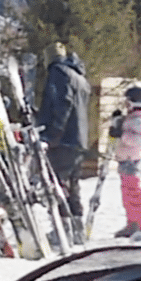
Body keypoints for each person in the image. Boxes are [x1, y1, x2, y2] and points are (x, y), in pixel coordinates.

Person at [36, 43, 90, 243]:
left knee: (57, 184)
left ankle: (62, 229)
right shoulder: (80, 77)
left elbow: (62, 104)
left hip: (63, 139)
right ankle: (77, 229)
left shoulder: (58, 73)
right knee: (73, 185)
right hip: (79, 139)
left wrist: (52, 134)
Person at [110, 86, 141, 241]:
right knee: (127, 196)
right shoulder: (132, 118)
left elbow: (137, 140)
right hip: (125, 160)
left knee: (135, 195)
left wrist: (122, 135)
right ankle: (133, 223)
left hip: (132, 161)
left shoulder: (140, 120)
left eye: (128, 102)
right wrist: (117, 122)